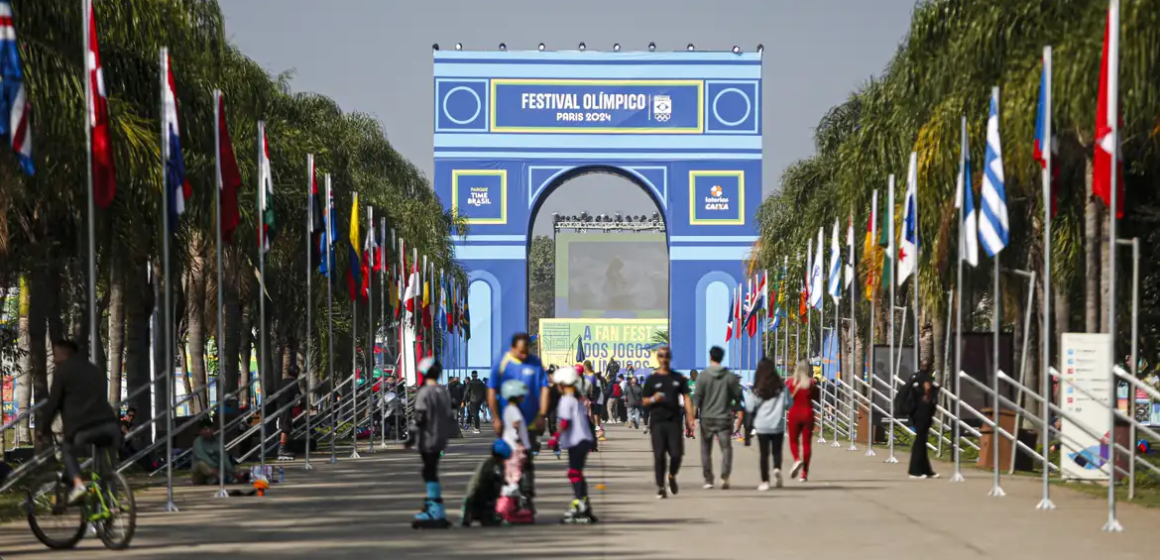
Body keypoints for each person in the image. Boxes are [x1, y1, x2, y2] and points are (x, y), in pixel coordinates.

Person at [42, 340, 121, 504]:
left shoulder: (63, 372)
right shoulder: (95, 370)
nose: (54, 359)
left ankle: (78, 485)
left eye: (56, 355)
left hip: (83, 427)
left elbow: (53, 403)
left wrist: (43, 429)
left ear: (65, 354)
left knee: (67, 451)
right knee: (107, 468)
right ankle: (111, 506)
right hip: (110, 424)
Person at [487, 333, 549, 507]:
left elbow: (544, 389)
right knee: (508, 460)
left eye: (526, 350)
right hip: (507, 423)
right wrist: (496, 418)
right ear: (512, 348)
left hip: (531, 421)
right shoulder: (502, 364)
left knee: (526, 459)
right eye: (521, 351)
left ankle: (526, 496)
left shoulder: (535, 363)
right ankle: (508, 496)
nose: (524, 355)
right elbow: (491, 391)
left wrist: (542, 415)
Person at [408, 357, 456, 528]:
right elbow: (450, 415)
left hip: (426, 439)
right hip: (440, 439)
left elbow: (419, 416)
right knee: (431, 469)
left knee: (429, 472)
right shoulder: (443, 391)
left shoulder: (424, 392)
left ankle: (435, 509)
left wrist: (412, 436)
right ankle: (434, 505)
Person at [642, 346, 696, 499]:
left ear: (670, 358)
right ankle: (660, 487)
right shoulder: (652, 380)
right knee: (659, 456)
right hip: (658, 422)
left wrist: (690, 416)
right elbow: (644, 401)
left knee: (676, 454)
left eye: (666, 356)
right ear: (657, 358)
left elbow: (686, 397)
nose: (663, 359)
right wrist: (653, 399)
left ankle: (671, 475)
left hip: (674, 422)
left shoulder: (677, 378)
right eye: (661, 356)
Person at [549, 365, 598, 523]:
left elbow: (565, 421)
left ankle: (580, 503)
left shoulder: (566, 400)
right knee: (577, 472)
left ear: (562, 384)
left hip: (576, 441)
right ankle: (583, 502)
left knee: (574, 473)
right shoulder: (578, 399)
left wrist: (555, 437)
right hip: (584, 440)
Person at [694, 346, 742, 490]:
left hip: (707, 418)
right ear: (722, 357)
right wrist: (739, 416)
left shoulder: (702, 376)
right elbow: (738, 398)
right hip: (724, 418)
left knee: (705, 449)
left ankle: (708, 479)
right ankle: (725, 476)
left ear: (710, 357)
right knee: (726, 448)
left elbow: (697, 399)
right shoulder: (730, 377)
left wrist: (691, 418)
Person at [745, 358, 789, 490]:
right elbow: (788, 404)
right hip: (778, 424)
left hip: (762, 425)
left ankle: (765, 481)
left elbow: (750, 406)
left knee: (764, 454)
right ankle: (777, 468)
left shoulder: (758, 388)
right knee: (777, 451)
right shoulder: (782, 387)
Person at [497, 379, 535, 523]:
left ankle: (511, 507)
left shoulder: (508, 409)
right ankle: (510, 508)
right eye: (521, 396)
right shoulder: (514, 410)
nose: (523, 398)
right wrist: (521, 444)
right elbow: (516, 425)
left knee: (512, 478)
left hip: (511, 447)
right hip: (516, 449)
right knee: (516, 478)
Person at [461, 439, 510, 527]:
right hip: (477, 494)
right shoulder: (489, 465)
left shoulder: (496, 464)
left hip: (483, 494)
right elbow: (484, 482)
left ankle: (485, 514)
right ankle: (479, 515)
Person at [786, 360, 820, 483]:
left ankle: (796, 459)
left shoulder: (790, 382)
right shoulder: (811, 383)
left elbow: (787, 398)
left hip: (795, 413)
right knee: (807, 444)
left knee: (793, 440)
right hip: (808, 413)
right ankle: (804, 474)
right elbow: (817, 397)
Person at [906, 369, 940, 479]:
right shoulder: (925, 378)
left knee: (921, 441)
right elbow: (928, 387)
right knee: (920, 441)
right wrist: (928, 396)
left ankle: (926, 469)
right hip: (922, 413)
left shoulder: (915, 377)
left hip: (915, 413)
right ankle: (914, 470)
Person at [191, 418, 236, 485]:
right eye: (205, 429)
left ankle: (218, 479)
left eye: (210, 428)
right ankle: (219, 477)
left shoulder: (218, 441)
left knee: (223, 468)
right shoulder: (197, 442)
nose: (208, 431)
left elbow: (224, 455)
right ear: (200, 431)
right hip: (201, 474)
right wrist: (214, 467)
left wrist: (230, 470)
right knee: (201, 464)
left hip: (215, 472)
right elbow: (202, 456)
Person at [276, 366, 302, 461]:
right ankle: (282, 448)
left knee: (284, 427)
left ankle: (284, 447)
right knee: (286, 428)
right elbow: (297, 397)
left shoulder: (283, 382)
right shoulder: (294, 382)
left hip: (280, 406)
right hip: (287, 407)